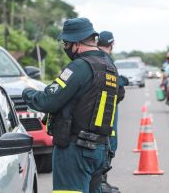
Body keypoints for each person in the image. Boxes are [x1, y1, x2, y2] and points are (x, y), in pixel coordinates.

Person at [22, 18, 120, 193]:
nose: (65, 47)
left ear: (76, 44)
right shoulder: (110, 68)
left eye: (66, 43)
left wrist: (27, 93)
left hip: (75, 151)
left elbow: (48, 100)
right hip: (100, 150)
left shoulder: (80, 67)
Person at [98, 31, 127, 193]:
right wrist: (123, 81)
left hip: (105, 105)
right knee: (109, 142)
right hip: (107, 108)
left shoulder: (98, 56)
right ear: (111, 44)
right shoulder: (105, 58)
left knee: (107, 142)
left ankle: (102, 182)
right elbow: (113, 78)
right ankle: (101, 184)